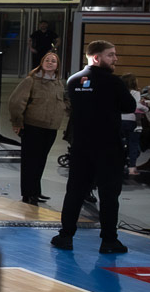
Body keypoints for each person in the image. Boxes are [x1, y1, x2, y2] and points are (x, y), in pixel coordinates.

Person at [52, 41, 136, 254]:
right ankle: (109, 240)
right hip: (108, 147)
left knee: (75, 192)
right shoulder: (114, 82)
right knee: (109, 196)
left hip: (81, 146)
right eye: (111, 55)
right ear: (96, 57)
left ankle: (65, 236)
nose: (115, 59)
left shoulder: (73, 80)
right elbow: (130, 106)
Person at [9, 50, 67, 205]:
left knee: (41, 161)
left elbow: (64, 102)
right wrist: (17, 122)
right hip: (33, 127)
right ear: (41, 63)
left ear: (57, 66)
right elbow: (16, 102)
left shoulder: (58, 83)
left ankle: (36, 191)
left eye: (53, 61)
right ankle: (28, 193)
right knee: (30, 162)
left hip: (51, 128)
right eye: (47, 60)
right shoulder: (31, 80)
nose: (50, 63)